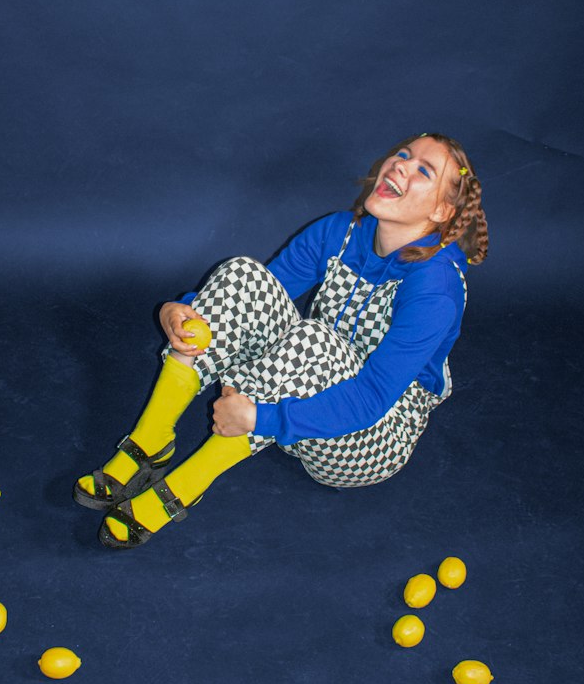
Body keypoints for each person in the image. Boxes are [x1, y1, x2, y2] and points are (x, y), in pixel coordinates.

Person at [74, 132, 488, 547]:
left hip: (370, 438)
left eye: (423, 170)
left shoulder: (435, 287)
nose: (401, 165)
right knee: (243, 272)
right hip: (298, 386)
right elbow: (254, 294)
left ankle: (185, 485)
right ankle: (151, 442)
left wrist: (262, 419)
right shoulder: (340, 231)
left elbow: (370, 398)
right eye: (403, 154)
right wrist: (179, 309)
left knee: (315, 339)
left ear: (441, 210)